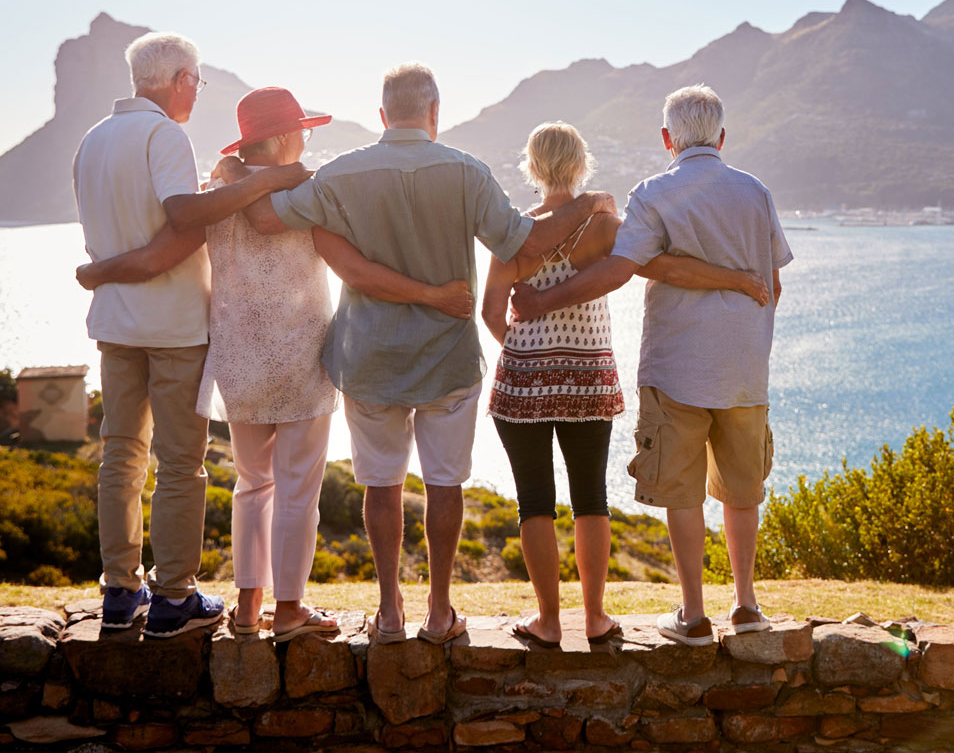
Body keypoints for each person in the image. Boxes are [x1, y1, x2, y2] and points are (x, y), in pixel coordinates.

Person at [232, 64, 617, 645]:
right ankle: (439, 611)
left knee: (380, 487)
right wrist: (588, 200)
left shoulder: (341, 173)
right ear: (434, 112)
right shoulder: (467, 172)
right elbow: (530, 241)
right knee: (445, 486)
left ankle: (389, 611)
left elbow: (262, 218)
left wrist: (256, 173)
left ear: (383, 114)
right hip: (446, 357)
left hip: (368, 359)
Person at [81, 85, 475, 642]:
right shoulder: (308, 194)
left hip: (238, 359)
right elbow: (349, 262)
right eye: (303, 131)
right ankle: (288, 610)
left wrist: (100, 271)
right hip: (301, 358)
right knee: (298, 491)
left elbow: (166, 252)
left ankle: (247, 608)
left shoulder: (216, 193)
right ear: (289, 136)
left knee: (252, 485)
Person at [511, 84, 792, 647]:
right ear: (721, 136)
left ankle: (692, 614)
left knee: (682, 492)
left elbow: (619, 270)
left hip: (676, 367)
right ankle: (745, 604)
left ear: (668, 138)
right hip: (744, 370)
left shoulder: (653, 193)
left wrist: (541, 301)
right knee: (741, 491)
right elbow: (774, 282)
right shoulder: (756, 193)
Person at [72, 32, 311, 636]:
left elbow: (110, 236)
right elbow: (183, 222)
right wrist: (263, 182)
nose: (196, 95)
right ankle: (174, 599)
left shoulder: (91, 142)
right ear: (179, 79)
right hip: (174, 326)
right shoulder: (164, 135)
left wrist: (102, 272)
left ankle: (120, 592)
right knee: (181, 463)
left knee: (120, 457)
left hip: (113, 323)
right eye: (196, 83)